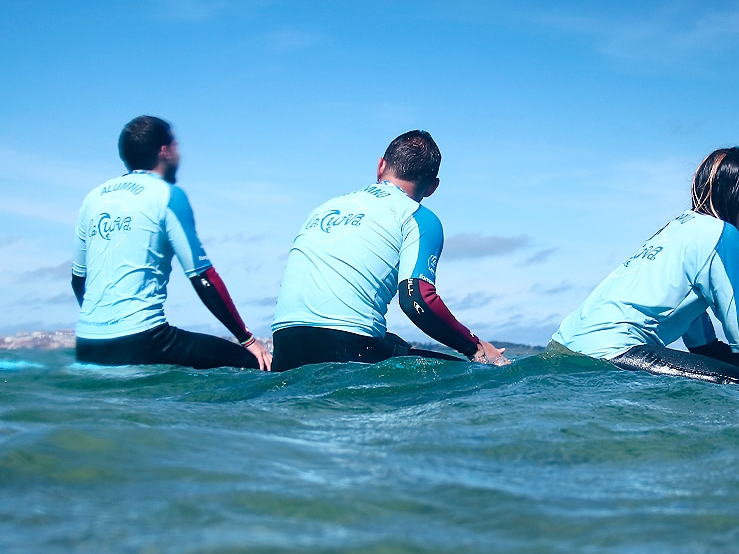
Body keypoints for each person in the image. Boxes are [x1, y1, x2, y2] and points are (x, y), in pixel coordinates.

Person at [551, 147, 739, 388]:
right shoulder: (722, 235)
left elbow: (704, 348)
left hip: (560, 350)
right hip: (610, 351)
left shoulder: (679, 229)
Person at [271, 130, 510, 371]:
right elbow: (417, 300)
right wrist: (475, 346)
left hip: (283, 348)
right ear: (432, 188)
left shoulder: (324, 208)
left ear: (380, 166)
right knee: (474, 372)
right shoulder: (417, 217)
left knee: (394, 342)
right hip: (348, 347)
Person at [71, 115, 272, 371]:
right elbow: (203, 277)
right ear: (165, 151)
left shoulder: (93, 198)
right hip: (143, 340)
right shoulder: (166, 195)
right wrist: (248, 340)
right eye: (176, 146)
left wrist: (103, 327)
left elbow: (78, 279)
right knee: (250, 363)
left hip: (89, 344)